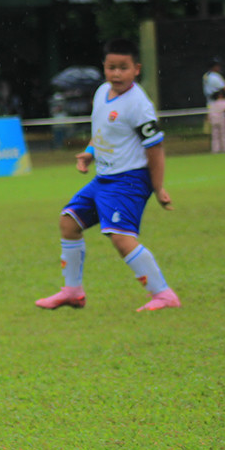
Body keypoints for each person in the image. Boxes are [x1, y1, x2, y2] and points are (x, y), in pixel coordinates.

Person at [35, 38, 180, 313]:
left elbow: (155, 147)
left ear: (136, 69)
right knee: (69, 222)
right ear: (104, 68)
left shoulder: (138, 104)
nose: (116, 74)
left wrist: (158, 187)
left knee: (120, 237)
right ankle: (72, 292)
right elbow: (103, 131)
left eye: (123, 68)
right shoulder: (102, 92)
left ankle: (163, 295)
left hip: (129, 179)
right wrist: (90, 152)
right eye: (111, 67)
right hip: (105, 178)